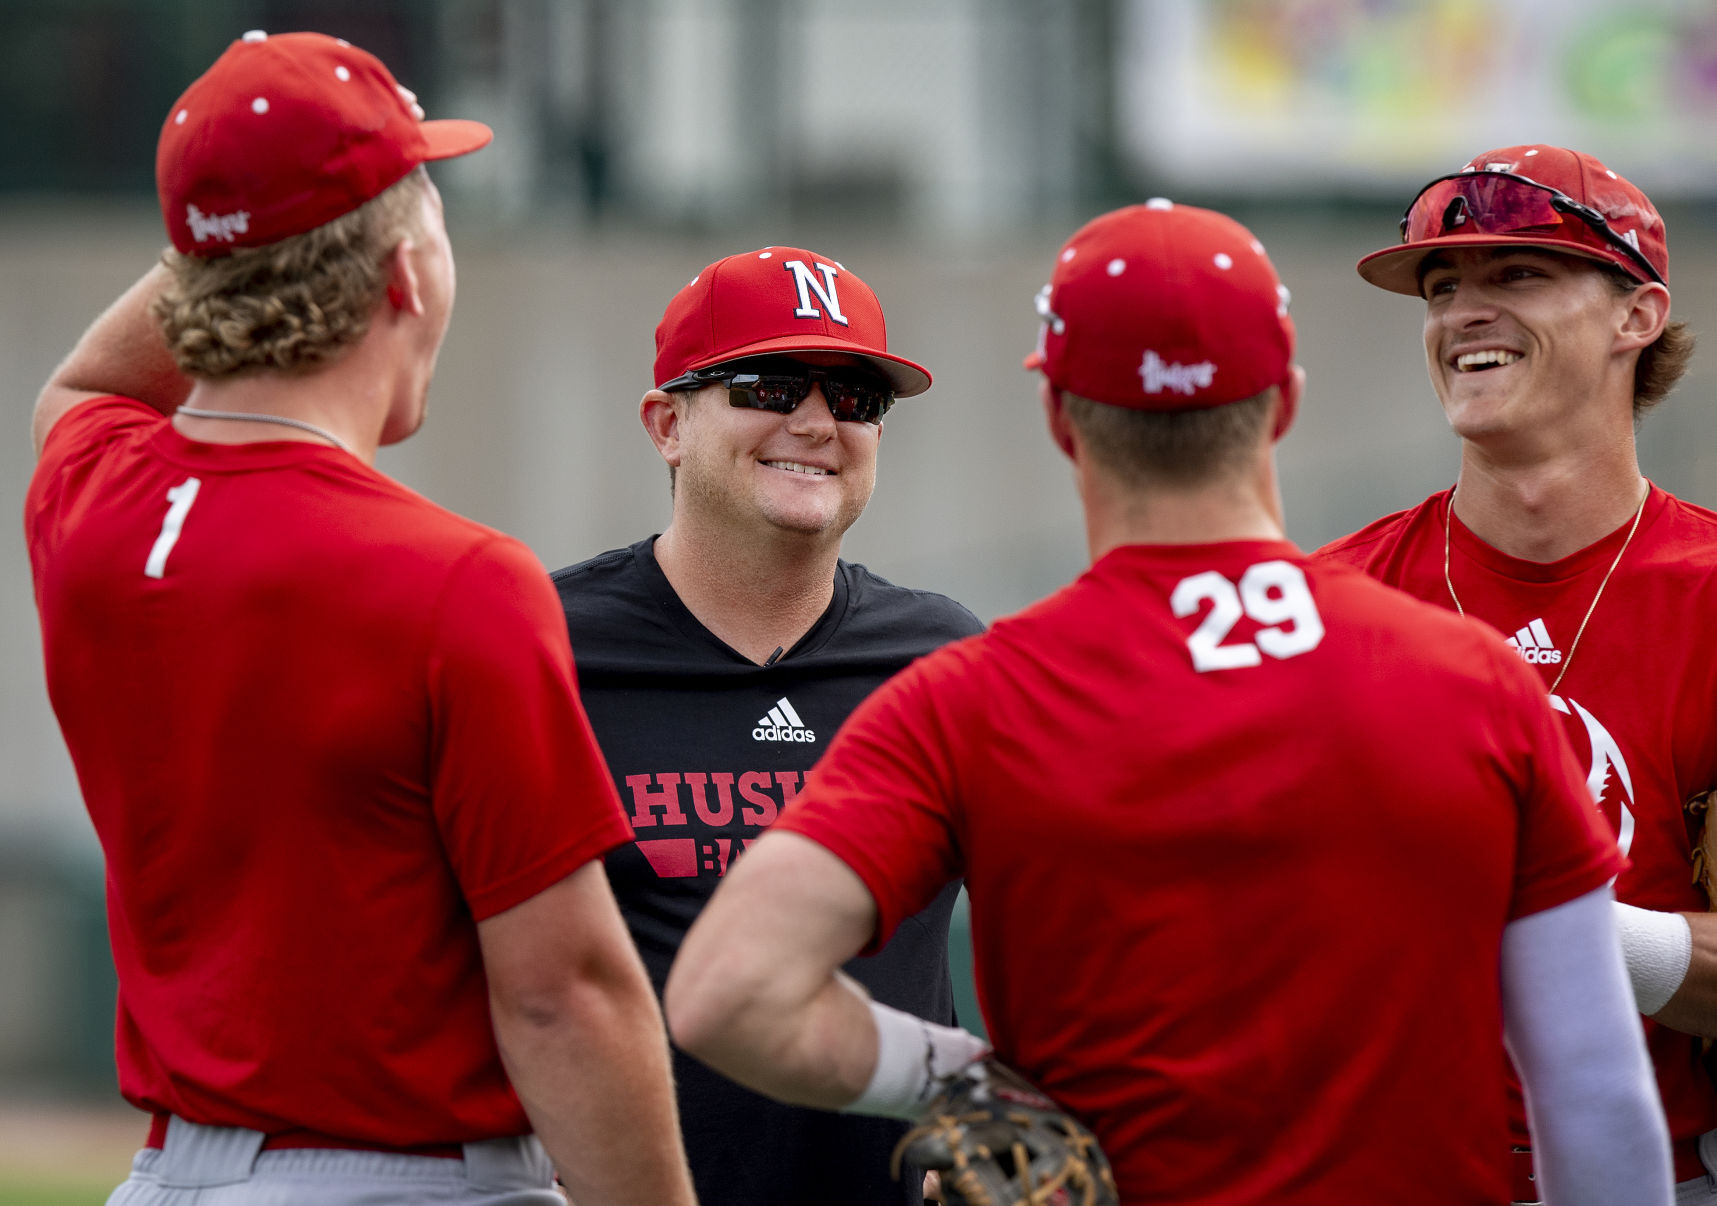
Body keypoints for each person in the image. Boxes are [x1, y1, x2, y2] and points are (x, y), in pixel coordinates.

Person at [662, 200, 1675, 1205]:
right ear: (1282, 401)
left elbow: (729, 993)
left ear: (1061, 416)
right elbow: (1592, 1093)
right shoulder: (1477, 680)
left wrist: (974, 1086)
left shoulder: (968, 701)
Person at [25, 31, 693, 1206]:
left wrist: (235, 219)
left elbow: (87, 382)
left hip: (172, 1176)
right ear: (403, 277)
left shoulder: (92, 499)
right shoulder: (457, 581)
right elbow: (561, 997)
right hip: (406, 1183)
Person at [1315, 144, 1717, 1203]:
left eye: (1518, 275)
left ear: (1636, 316)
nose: (1463, 315)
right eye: (1442, 289)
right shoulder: (1326, 605)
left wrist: (1528, 911)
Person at [549, 245, 984, 1205]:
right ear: (667, 424)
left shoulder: (940, 656)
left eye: (855, 398)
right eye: (770, 384)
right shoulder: (541, 649)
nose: (818, 421)